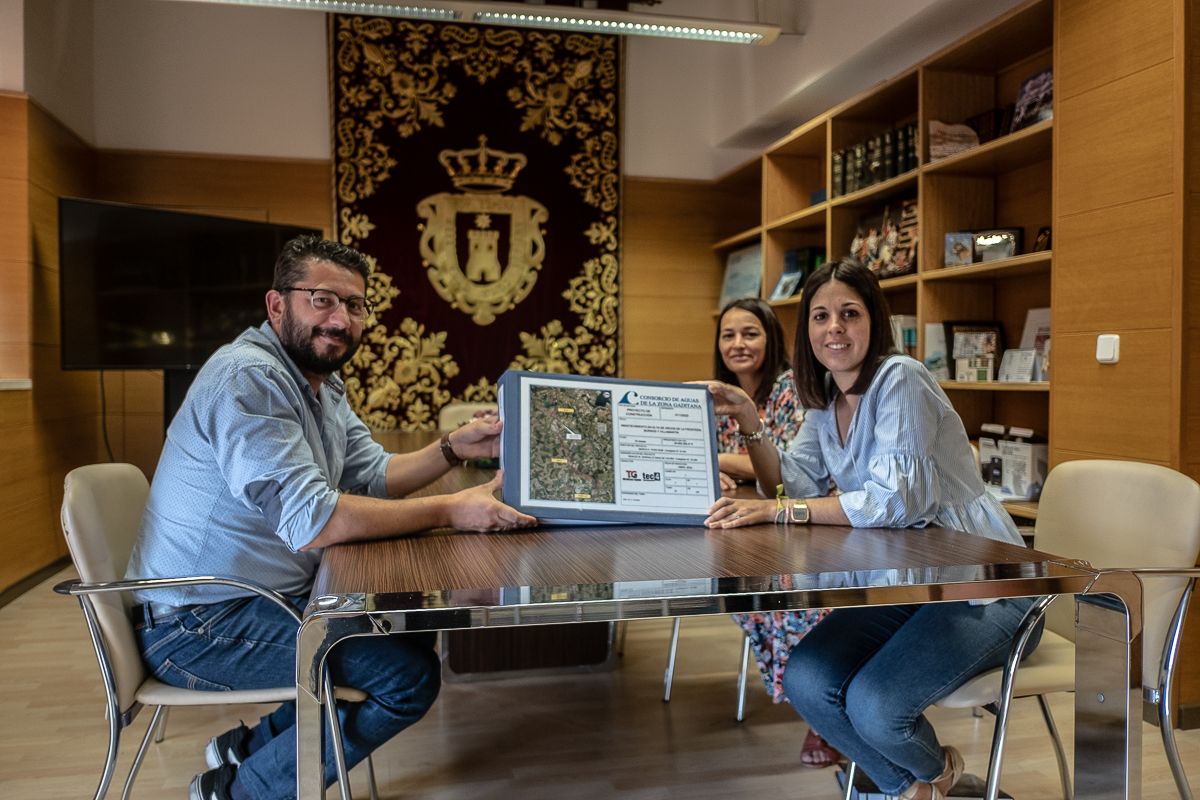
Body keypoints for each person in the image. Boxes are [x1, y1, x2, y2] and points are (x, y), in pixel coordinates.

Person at [124, 235, 537, 800]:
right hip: (196, 625)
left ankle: (245, 750)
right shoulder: (248, 378)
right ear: (277, 306)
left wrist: (453, 448)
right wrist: (450, 508)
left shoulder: (319, 383)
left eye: (355, 304)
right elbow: (314, 521)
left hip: (244, 601)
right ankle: (240, 791)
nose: (341, 319)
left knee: (412, 638)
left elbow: (373, 473)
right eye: (322, 299)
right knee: (406, 678)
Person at [702, 257, 1041, 800]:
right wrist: (746, 412)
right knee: (808, 679)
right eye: (820, 316)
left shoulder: (900, 378)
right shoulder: (826, 401)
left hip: (988, 586)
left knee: (876, 706)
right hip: (912, 582)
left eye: (848, 313)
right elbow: (787, 484)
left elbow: (895, 502)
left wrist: (783, 511)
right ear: (806, 329)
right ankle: (932, 785)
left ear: (873, 322)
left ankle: (918, 787)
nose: (833, 327)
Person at [711, 297, 837, 768]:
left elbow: (782, 473)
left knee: (785, 594)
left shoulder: (791, 388)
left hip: (796, 523)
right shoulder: (716, 392)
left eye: (750, 333)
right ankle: (811, 693)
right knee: (744, 593)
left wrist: (718, 461)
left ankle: (822, 713)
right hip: (745, 524)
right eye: (729, 335)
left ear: (772, 339)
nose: (738, 344)